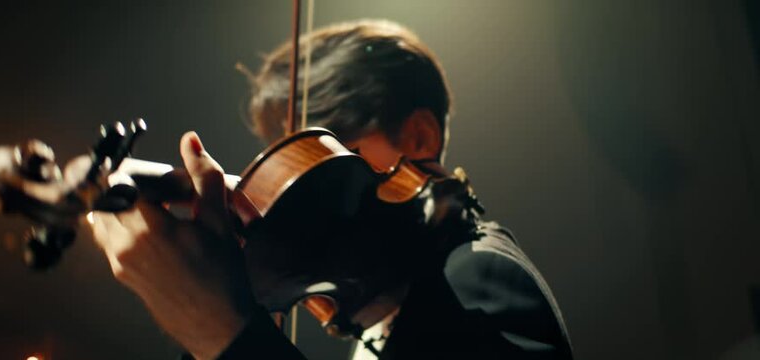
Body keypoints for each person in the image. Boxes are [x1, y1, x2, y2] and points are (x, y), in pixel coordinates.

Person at [88, 19, 573, 359]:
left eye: (332, 161)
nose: (300, 197)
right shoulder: (385, 319)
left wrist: (224, 331)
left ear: (420, 136)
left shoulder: (477, 272)